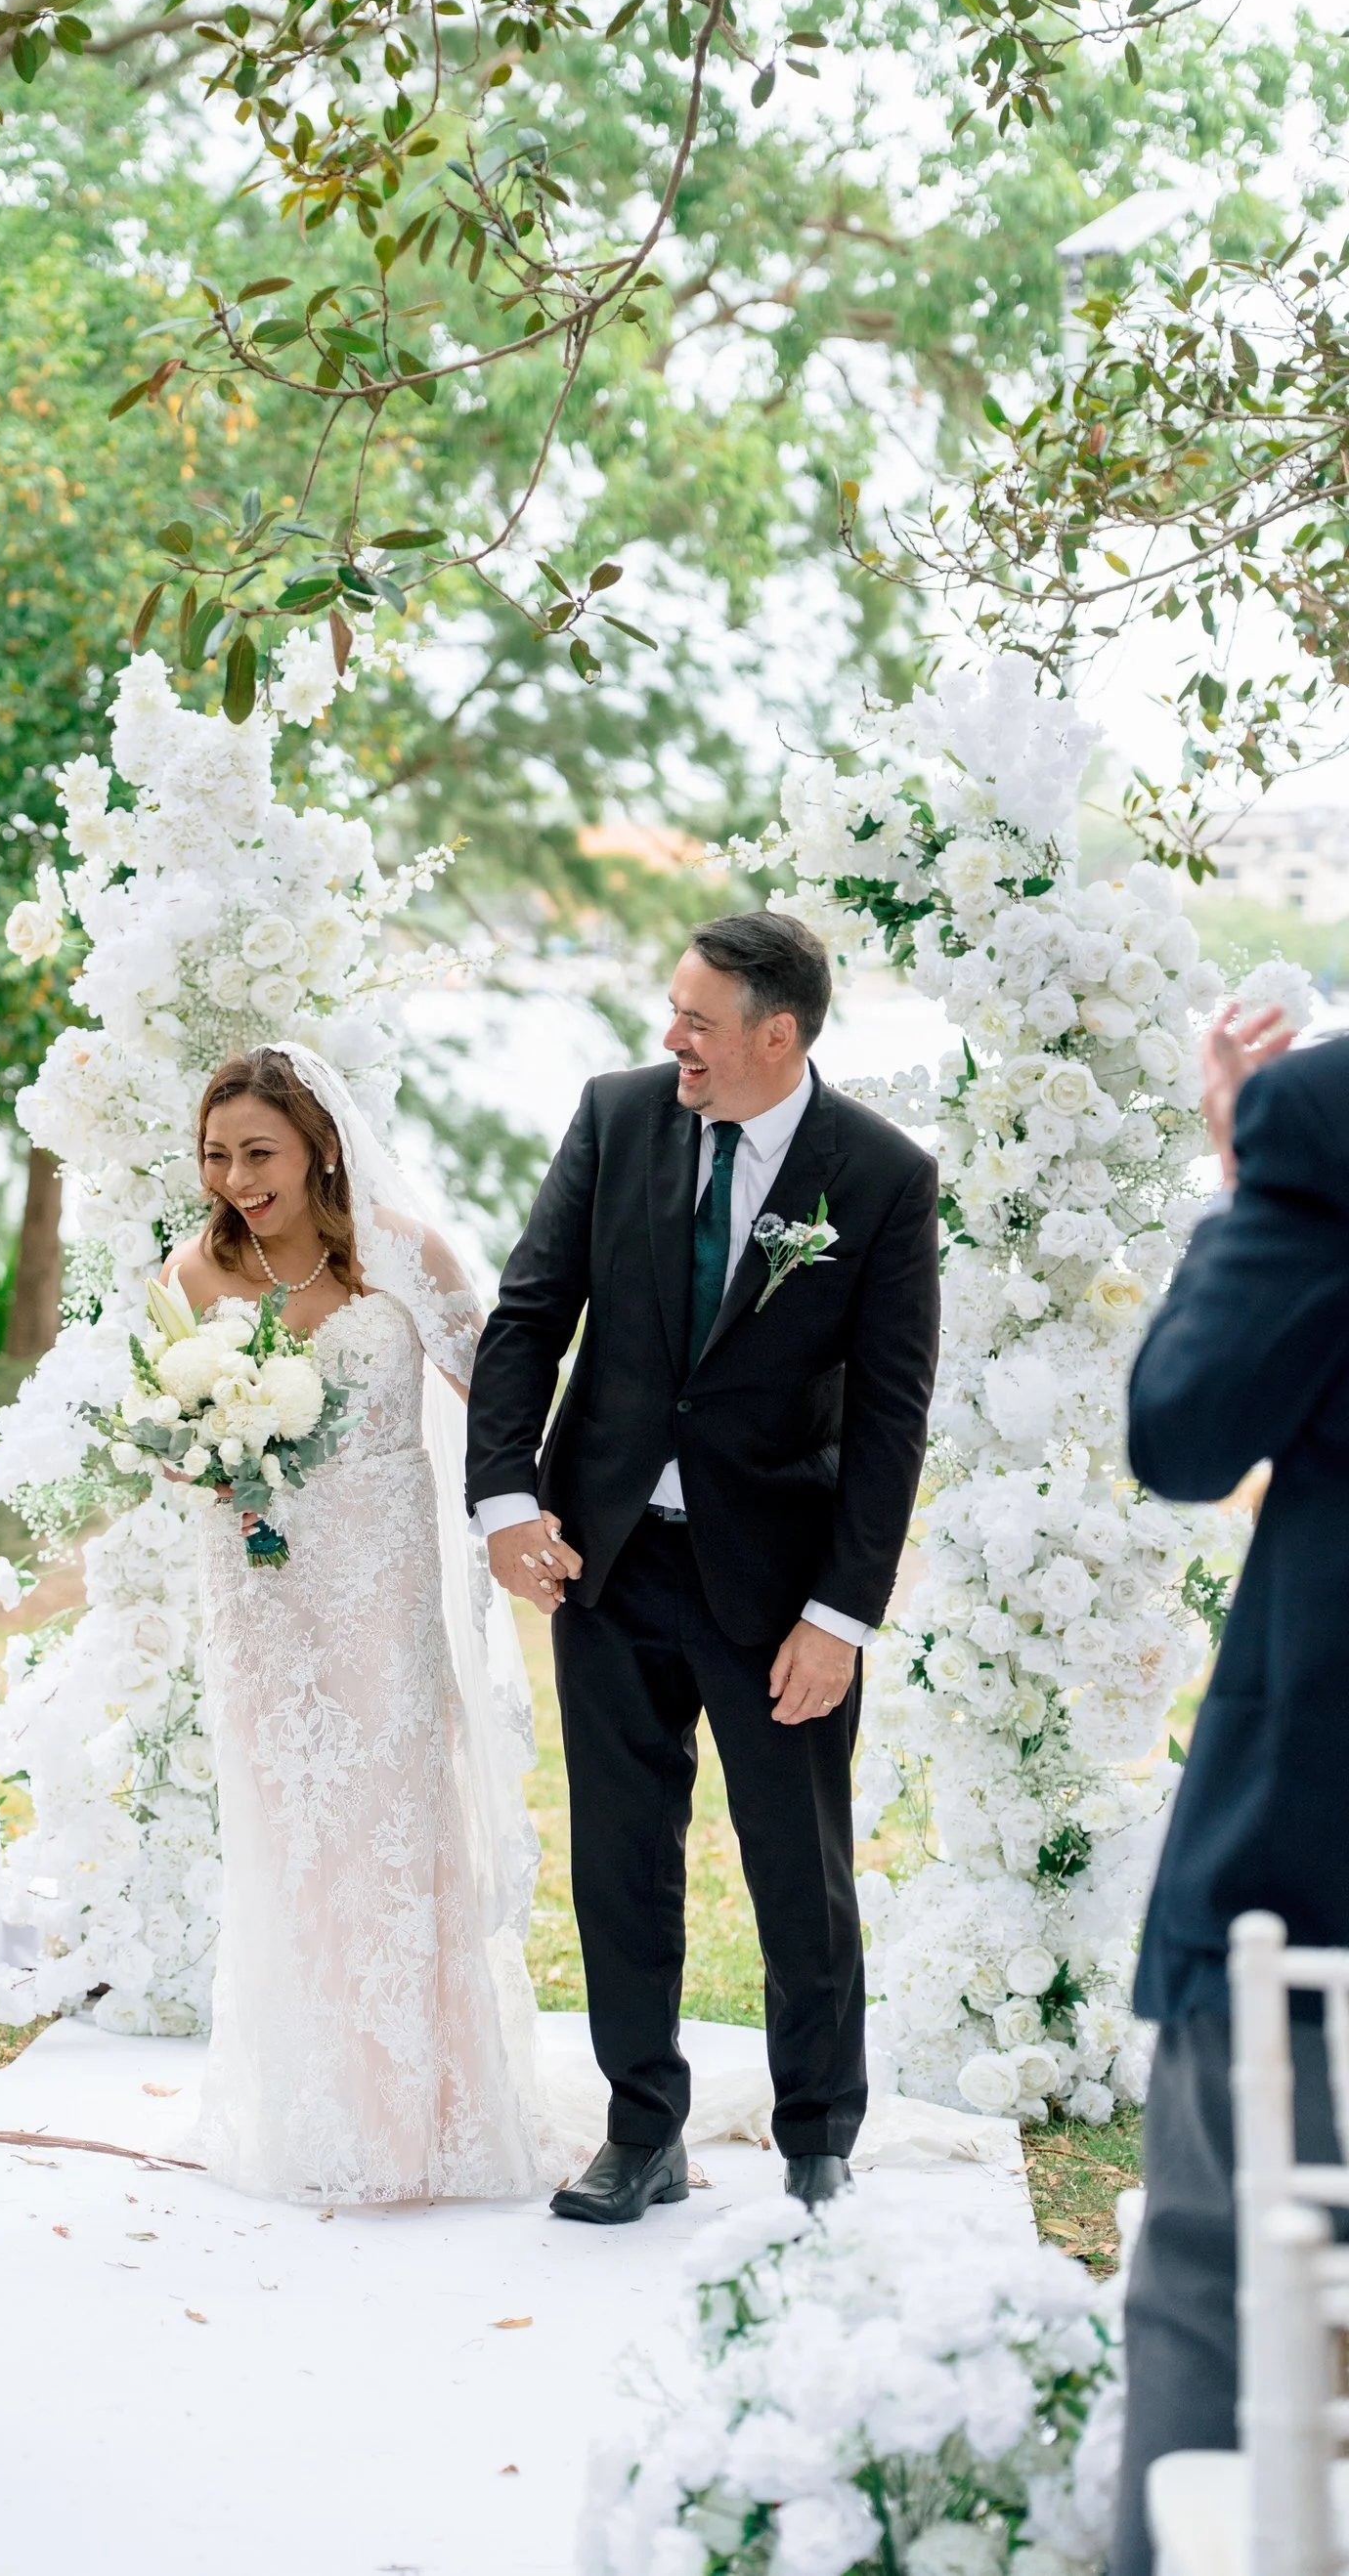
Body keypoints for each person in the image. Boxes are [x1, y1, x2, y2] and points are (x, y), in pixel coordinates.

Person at [467, 911, 941, 2223]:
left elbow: (892, 1416)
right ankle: (642, 2125)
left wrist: (840, 1614)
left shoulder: (883, 1174)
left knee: (799, 1863)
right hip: (605, 1561)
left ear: (776, 1034)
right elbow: (527, 1314)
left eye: (697, 1018)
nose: (671, 1037)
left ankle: (818, 2135)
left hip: (781, 1589)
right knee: (622, 1857)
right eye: (671, 1010)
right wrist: (507, 1495)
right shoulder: (617, 1116)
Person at [166, 1043, 552, 2204]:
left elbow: (499, 1395)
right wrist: (207, 1456)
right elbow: (175, 1428)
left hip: (383, 1590)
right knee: (292, 1829)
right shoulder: (194, 1270)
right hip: (261, 1594)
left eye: (258, 1151)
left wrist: (531, 1517)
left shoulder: (402, 1255)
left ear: (319, 1144)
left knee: (391, 1825)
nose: (236, 1177)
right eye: (216, 1154)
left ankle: (426, 2108)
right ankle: (315, 2104)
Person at [1111, 1000, 1349, 2576]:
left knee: (1224, 2283)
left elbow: (1184, 1431)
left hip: (1319, 1844)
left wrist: (1239, 1175)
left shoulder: (1322, 1119)